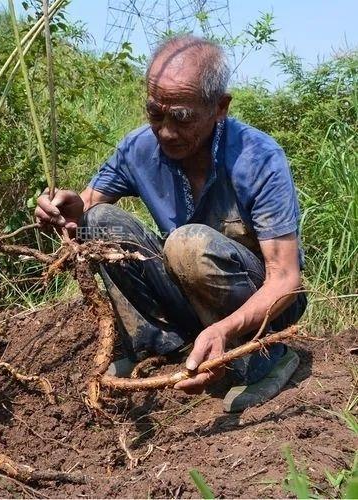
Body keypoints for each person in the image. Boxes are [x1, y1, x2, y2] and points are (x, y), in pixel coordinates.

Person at [34, 35, 307, 412]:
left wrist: (225, 330)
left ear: (220, 107)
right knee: (99, 222)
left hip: (264, 305)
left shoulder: (258, 158)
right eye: (155, 114)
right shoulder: (138, 149)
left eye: (180, 118)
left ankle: (265, 358)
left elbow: (286, 279)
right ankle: (162, 344)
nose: (165, 131)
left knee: (186, 244)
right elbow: (86, 209)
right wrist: (64, 209)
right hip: (189, 290)